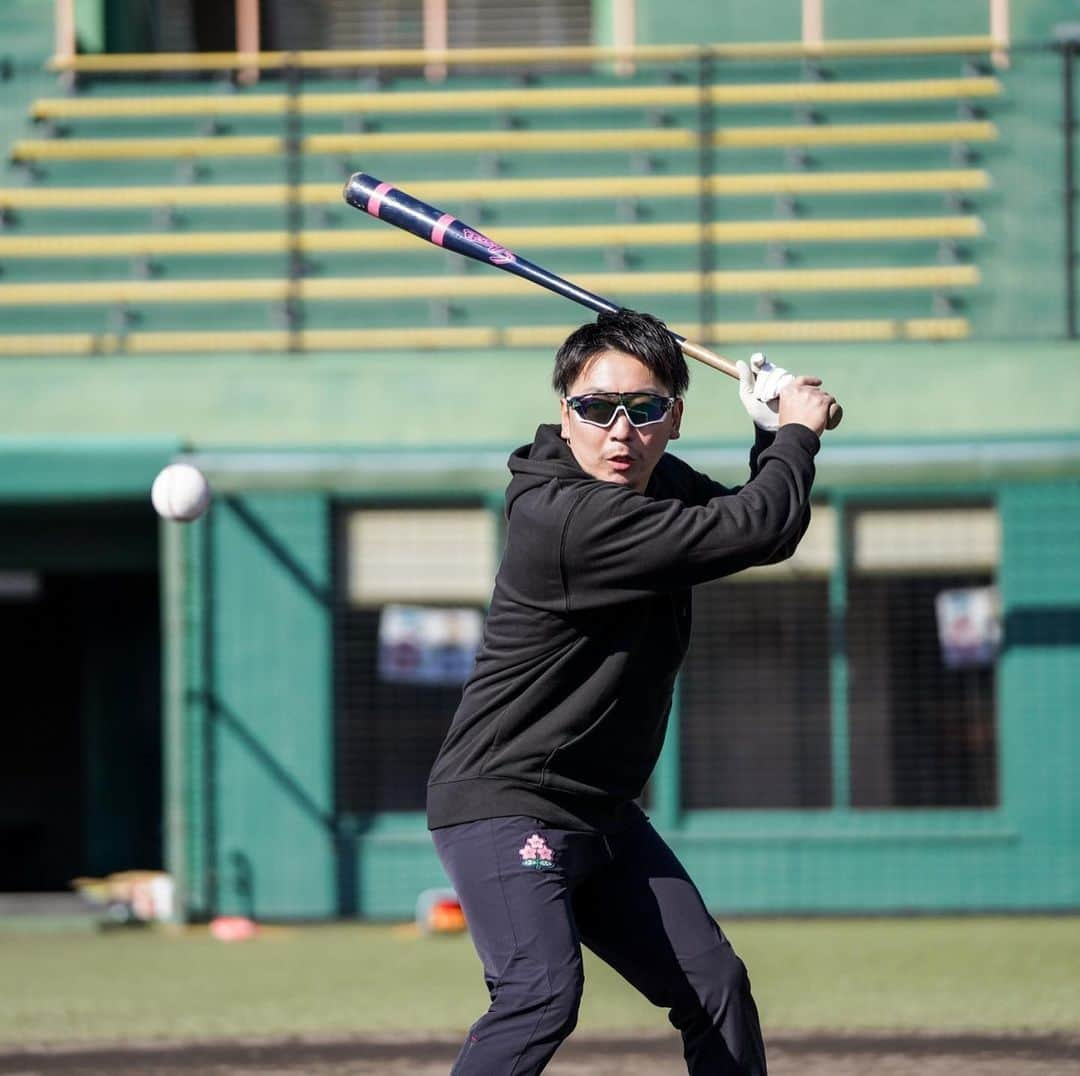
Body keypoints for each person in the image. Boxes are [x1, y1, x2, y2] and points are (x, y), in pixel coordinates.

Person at [427, 308, 835, 1076]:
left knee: (715, 983)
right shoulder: (565, 519)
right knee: (541, 993)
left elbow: (765, 526)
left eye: (643, 410)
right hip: (505, 798)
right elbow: (753, 526)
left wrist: (769, 435)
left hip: (602, 809)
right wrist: (795, 431)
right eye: (595, 408)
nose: (620, 432)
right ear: (564, 413)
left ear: (674, 418)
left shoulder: (657, 486)